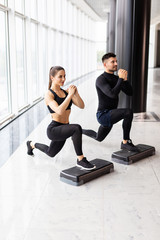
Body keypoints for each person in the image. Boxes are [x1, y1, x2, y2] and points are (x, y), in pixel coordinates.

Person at [26, 66, 95, 170]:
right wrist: (70, 95)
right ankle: (80, 159)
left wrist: (75, 94)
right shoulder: (49, 94)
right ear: (52, 78)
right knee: (76, 128)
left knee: (51, 153)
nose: (64, 79)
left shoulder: (66, 92)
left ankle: (31, 144)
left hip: (64, 128)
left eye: (64, 76)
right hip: (54, 129)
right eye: (60, 76)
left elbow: (82, 105)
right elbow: (59, 110)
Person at [82, 52, 139, 152]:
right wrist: (121, 79)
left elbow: (130, 92)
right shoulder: (100, 80)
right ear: (105, 64)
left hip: (111, 114)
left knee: (98, 137)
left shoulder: (117, 79)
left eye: (116, 61)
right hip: (103, 115)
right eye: (113, 62)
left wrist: (125, 80)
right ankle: (125, 142)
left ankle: (80, 130)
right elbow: (112, 94)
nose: (116, 64)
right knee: (128, 112)